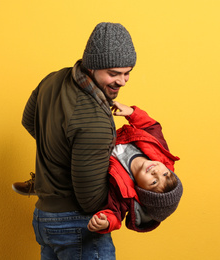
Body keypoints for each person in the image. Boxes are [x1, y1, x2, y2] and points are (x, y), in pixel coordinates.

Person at [19, 22, 137, 259]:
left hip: (44, 217)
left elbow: (30, 120)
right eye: (113, 74)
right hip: (78, 225)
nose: (122, 81)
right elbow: (90, 200)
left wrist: (61, 152)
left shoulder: (53, 79)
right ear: (92, 66)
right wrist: (129, 186)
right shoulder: (94, 119)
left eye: (127, 73)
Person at [87, 101, 183, 234]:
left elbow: (115, 212)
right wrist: (132, 113)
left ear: (141, 190)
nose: (156, 172)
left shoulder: (124, 191)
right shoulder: (158, 151)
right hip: (103, 129)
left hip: (89, 148)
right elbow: (151, 126)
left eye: (154, 182)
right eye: (165, 174)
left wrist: (106, 222)